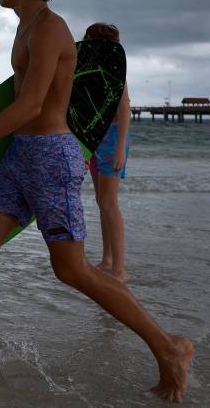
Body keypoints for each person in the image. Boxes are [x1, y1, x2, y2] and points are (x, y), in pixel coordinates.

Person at [0, 0, 192, 402]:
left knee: (72, 270)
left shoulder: (50, 30)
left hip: (50, 160)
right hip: (19, 158)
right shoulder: (24, 29)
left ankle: (168, 348)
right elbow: (15, 100)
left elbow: (30, 106)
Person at [83, 23, 132, 282]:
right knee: (102, 202)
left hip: (113, 138)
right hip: (95, 139)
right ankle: (107, 260)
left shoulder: (115, 71)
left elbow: (125, 111)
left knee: (110, 203)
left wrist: (120, 149)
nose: (85, 40)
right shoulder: (92, 70)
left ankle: (120, 269)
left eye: (88, 37)